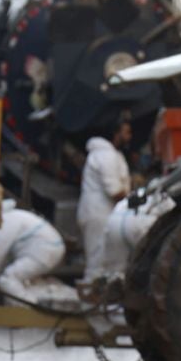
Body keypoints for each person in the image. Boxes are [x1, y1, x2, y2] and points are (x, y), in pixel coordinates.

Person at [0, 197, 74, 307]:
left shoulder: (5, 221)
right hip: (50, 249)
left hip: (44, 251)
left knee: (7, 279)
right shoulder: (15, 215)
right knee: (10, 278)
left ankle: (30, 310)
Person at [78, 117, 133, 285]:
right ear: (116, 134)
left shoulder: (111, 155)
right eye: (126, 132)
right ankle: (89, 302)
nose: (129, 136)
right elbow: (114, 191)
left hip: (102, 214)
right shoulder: (105, 156)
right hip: (98, 215)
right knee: (96, 263)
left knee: (102, 261)